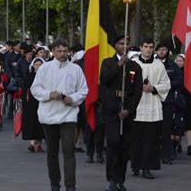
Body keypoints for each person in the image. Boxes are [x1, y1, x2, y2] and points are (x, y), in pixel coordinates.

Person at [31, 38, 88, 191]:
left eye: (65, 51)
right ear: (53, 51)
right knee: (52, 152)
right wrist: (49, 94)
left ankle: (71, 186)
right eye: (59, 51)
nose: (62, 54)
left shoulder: (76, 69)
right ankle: (54, 184)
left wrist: (73, 98)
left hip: (69, 114)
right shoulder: (45, 68)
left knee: (69, 150)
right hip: (48, 116)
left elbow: (83, 90)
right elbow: (35, 89)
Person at [100, 35, 143, 191]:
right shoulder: (108, 62)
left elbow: (138, 91)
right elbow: (104, 79)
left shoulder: (135, 67)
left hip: (127, 109)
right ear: (115, 45)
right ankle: (111, 178)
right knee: (113, 143)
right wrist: (119, 65)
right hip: (112, 108)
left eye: (126, 43)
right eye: (120, 43)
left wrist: (129, 110)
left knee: (124, 146)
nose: (124, 46)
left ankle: (120, 179)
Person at [131, 38, 170, 179]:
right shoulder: (133, 63)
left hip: (152, 106)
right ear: (141, 47)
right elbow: (126, 83)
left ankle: (147, 168)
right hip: (137, 106)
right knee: (136, 139)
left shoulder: (159, 65)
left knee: (151, 139)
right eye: (145, 46)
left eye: (151, 47)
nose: (148, 49)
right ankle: (135, 165)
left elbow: (166, 84)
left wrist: (153, 88)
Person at [155, 43, 182, 164]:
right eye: (159, 49)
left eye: (164, 49)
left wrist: (167, 85)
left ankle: (166, 155)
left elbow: (179, 81)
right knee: (154, 128)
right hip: (154, 99)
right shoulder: (153, 63)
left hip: (168, 100)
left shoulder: (172, 65)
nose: (161, 51)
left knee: (166, 128)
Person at [22, 57, 45, 152]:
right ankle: (32, 143)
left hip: (43, 101)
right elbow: (25, 90)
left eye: (40, 65)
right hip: (31, 102)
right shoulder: (29, 76)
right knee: (32, 121)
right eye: (36, 65)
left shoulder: (46, 76)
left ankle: (39, 143)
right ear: (33, 66)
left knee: (41, 122)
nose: (38, 66)